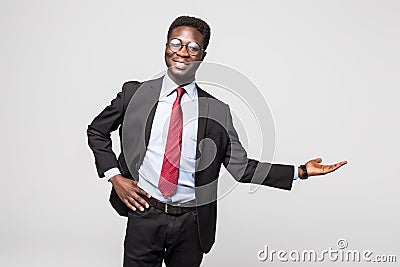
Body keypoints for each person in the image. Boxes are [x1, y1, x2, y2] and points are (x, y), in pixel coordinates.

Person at [87, 15, 347, 267]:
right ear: (166, 46)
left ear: (202, 56)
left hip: (192, 224)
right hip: (144, 214)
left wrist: (299, 172)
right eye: (176, 43)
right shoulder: (135, 93)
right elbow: (97, 131)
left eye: (193, 47)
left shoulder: (217, 111)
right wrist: (115, 177)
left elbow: (241, 168)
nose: (182, 52)